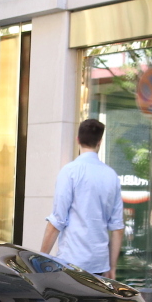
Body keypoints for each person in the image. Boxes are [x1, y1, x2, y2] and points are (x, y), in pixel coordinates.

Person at [40, 119, 124, 279]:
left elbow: (57, 221)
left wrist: (39, 259)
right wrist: (112, 267)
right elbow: (117, 228)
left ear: (77, 139)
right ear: (99, 142)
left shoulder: (69, 172)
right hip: (99, 264)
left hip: (71, 261)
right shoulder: (111, 176)